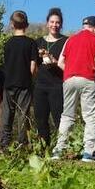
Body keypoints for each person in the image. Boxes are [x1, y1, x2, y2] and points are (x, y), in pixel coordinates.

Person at [53, 16, 95, 161]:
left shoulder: (70, 39)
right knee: (90, 117)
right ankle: (89, 152)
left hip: (69, 79)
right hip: (88, 78)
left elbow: (61, 63)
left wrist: (70, 71)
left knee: (67, 115)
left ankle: (58, 150)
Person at [0, 10, 38, 149]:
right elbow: (33, 66)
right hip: (24, 83)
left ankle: (4, 143)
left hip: (8, 82)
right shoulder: (31, 43)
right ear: (26, 24)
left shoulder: (8, 43)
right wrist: (31, 79)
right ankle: (22, 144)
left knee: (7, 114)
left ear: (12, 25)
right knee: (23, 114)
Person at [34, 8, 67, 147]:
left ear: (61, 24)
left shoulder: (66, 41)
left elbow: (69, 66)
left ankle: (62, 147)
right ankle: (44, 148)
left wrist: (55, 62)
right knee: (40, 119)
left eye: (57, 22)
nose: (55, 25)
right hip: (40, 85)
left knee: (59, 118)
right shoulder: (38, 42)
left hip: (57, 85)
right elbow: (32, 64)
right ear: (47, 23)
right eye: (52, 22)